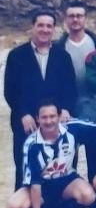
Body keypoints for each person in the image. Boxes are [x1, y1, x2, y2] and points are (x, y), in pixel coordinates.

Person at [4, 11, 77, 193]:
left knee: (61, 166)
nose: (45, 30)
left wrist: (66, 110)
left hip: (57, 121)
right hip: (26, 122)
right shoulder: (16, 55)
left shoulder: (63, 56)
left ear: (54, 29)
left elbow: (70, 87)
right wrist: (24, 114)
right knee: (25, 166)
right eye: (41, 25)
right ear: (33, 27)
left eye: (49, 26)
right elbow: (10, 91)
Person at [5, 102, 96, 208]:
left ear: (59, 116)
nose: (49, 121)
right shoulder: (32, 144)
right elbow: (35, 182)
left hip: (66, 181)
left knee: (88, 196)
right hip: (42, 186)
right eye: (44, 117)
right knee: (14, 207)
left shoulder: (72, 129)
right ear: (37, 119)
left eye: (52, 116)